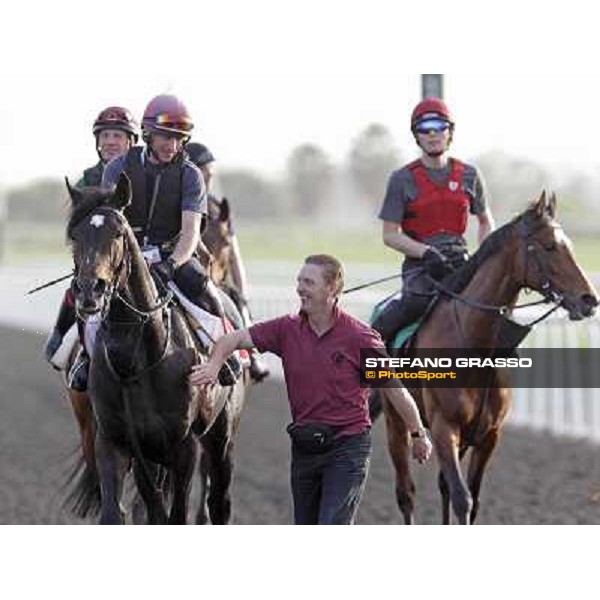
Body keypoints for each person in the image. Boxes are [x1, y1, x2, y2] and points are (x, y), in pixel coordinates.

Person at [190, 254, 432, 524]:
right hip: (305, 447)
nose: (300, 288)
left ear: (331, 289)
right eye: (299, 281)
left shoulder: (360, 338)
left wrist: (418, 433)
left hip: (347, 448)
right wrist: (213, 365)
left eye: (308, 282)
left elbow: (395, 390)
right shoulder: (285, 329)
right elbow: (232, 339)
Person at [372, 97, 495, 346]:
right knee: (400, 313)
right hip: (421, 269)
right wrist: (426, 253)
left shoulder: (470, 175)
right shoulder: (401, 179)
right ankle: (372, 374)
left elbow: (485, 221)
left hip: (461, 265)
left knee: (492, 307)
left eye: (439, 127)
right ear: (416, 136)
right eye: (424, 128)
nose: (432, 134)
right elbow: (390, 234)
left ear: (450, 133)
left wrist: (482, 257)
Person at [45, 106, 139, 373]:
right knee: (82, 285)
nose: (110, 141)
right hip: (99, 257)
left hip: (141, 254)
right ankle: (69, 341)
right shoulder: (87, 179)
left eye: (117, 136)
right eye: (105, 135)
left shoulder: (142, 173)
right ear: (97, 142)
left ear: (130, 141)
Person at [185, 142, 270, 382]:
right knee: (383, 319)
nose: (208, 179)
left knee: (237, 307)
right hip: (187, 273)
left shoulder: (217, 207)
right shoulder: (179, 202)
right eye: (203, 172)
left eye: (210, 173)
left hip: (217, 280)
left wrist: (243, 296)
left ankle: (251, 357)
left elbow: (234, 256)